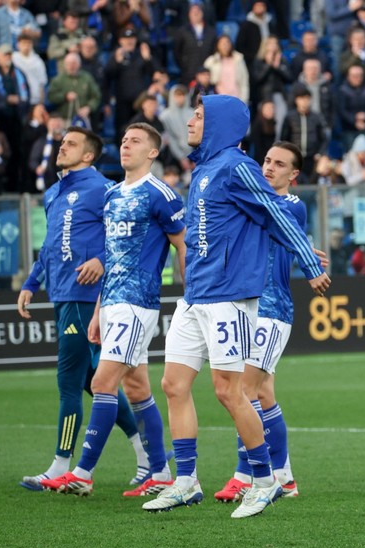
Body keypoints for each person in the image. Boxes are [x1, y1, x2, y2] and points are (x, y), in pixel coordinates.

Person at [140, 95, 330, 518]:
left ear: (220, 123)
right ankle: (186, 482)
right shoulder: (205, 168)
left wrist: (306, 259)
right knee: (173, 385)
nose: (190, 122)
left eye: (199, 116)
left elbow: (275, 213)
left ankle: (264, 482)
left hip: (228, 298)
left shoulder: (237, 166)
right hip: (195, 297)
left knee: (230, 391)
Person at [40, 123, 186, 497]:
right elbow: (113, 256)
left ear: (152, 152)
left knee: (101, 383)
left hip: (137, 303)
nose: (125, 145)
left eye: (135, 141)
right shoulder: (113, 195)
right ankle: (160, 473)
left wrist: (192, 293)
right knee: (136, 388)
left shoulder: (160, 194)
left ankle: (83, 472)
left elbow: (183, 245)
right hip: (110, 303)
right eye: (123, 140)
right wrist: (97, 312)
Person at [17, 127, 153, 491]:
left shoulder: (103, 189)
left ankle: (61, 465)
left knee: (69, 383)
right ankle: (148, 457)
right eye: (62, 142)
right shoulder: (53, 192)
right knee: (98, 382)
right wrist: (31, 283)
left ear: (89, 155)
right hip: (61, 294)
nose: (62, 147)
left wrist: (101, 261)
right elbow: (50, 246)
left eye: (71, 144)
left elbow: (129, 235)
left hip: (85, 295)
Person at [215, 142, 311, 502]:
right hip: (247, 305)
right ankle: (284, 477)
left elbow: (275, 225)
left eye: (279, 164)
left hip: (272, 308)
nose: (269, 167)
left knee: (244, 390)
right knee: (263, 393)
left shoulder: (292, 205)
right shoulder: (253, 202)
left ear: (293, 174)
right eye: (267, 161)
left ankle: (246, 474)